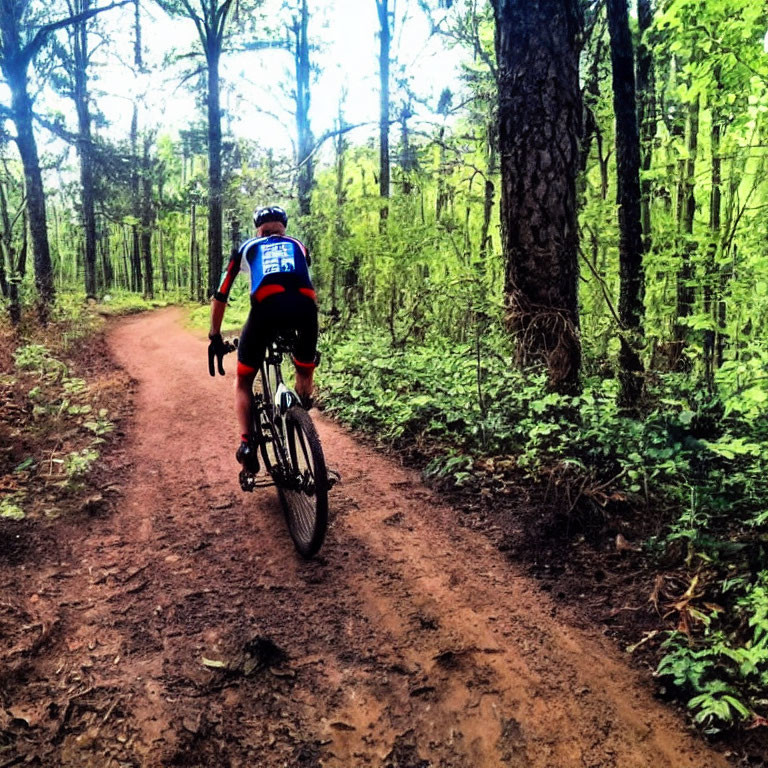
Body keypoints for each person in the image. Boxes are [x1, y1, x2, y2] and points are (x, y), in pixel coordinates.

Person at [207, 205, 318, 472]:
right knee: (304, 367)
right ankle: (302, 413)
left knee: (244, 379)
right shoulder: (298, 245)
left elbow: (221, 295)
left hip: (265, 312)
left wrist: (215, 336)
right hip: (306, 312)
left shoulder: (248, 246)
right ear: (284, 228)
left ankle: (247, 444)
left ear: (259, 229)